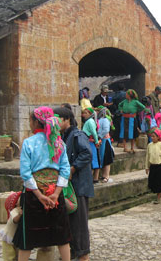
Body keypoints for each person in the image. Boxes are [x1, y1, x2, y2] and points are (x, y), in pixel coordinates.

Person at [13, 107, 71, 261]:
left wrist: (39, 195)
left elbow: (26, 173)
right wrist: (56, 194)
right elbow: (65, 170)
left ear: (35, 122)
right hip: (55, 195)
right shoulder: (59, 143)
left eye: (30, 120)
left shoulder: (28, 143)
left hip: (34, 195)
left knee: (27, 238)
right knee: (62, 235)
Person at [53, 107, 93, 261]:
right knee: (70, 222)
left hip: (79, 186)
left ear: (66, 119)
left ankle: (83, 255)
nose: (55, 123)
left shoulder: (77, 135)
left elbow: (86, 153)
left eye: (58, 120)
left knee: (79, 224)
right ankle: (73, 253)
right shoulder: (63, 136)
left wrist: (73, 168)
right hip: (69, 187)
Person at [81, 108, 100, 183]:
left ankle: (92, 178)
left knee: (92, 159)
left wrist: (96, 142)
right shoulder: (89, 121)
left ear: (90, 114)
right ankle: (94, 178)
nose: (83, 115)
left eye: (85, 113)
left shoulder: (90, 121)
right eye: (83, 113)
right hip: (89, 141)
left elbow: (94, 132)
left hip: (90, 142)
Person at [97, 106, 115, 183]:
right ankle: (103, 175)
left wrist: (99, 136)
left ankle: (106, 176)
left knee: (107, 158)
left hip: (105, 141)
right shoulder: (99, 120)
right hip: (101, 141)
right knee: (102, 158)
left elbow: (106, 130)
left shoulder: (105, 120)